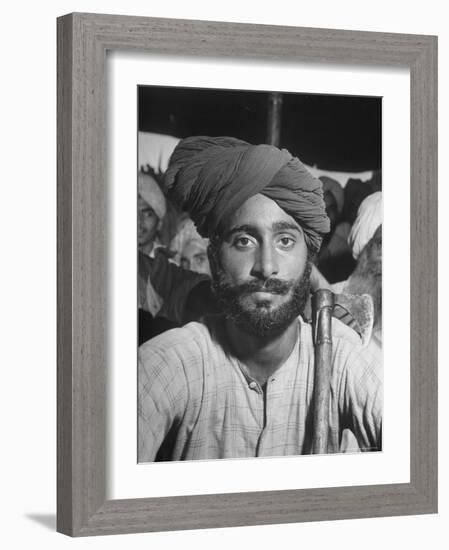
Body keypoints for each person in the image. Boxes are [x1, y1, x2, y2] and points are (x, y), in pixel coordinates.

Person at [138, 136, 382, 462]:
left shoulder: (339, 354)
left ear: (308, 261)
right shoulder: (178, 360)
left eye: (284, 241)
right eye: (243, 240)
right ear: (214, 258)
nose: (266, 266)